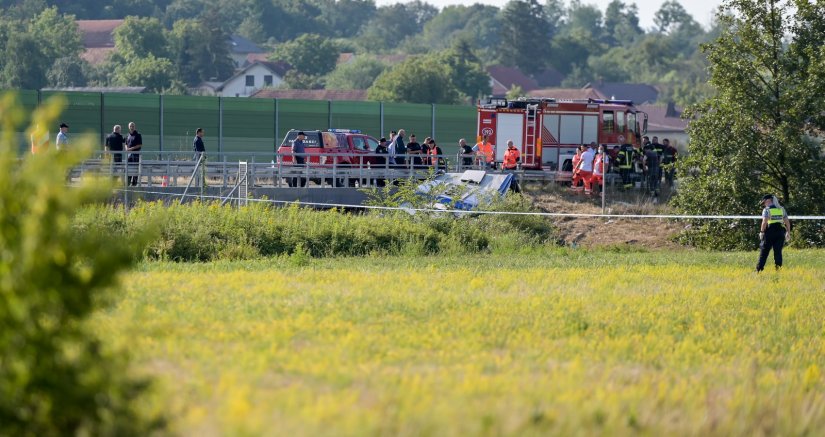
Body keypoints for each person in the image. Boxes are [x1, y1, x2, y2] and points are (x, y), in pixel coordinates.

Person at [756, 194, 791, 272]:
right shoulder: (781, 209)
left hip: (770, 231)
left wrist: (762, 232)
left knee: (764, 251)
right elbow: (787, 222)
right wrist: (788, 232)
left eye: (764, 202)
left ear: (769, 201)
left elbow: (764, 222)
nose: (764, 204)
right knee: (778, 252)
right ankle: (778, 270)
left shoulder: (767, 210)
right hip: (780, 232)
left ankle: (759, 269)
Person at [125, 122, 142, 186]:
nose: (131, 127)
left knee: (135, 170)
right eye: (130, 126)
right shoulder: (128, 135)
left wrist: (131, 149)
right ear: (128, 127)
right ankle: (128, 183)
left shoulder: (138, 135)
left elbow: (140, 145)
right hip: (129, 154)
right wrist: (127, 148)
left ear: (135, 127)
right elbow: (126, 144)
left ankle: (134, 184)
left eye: (133, 126)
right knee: (129, 169)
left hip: (135, 154)